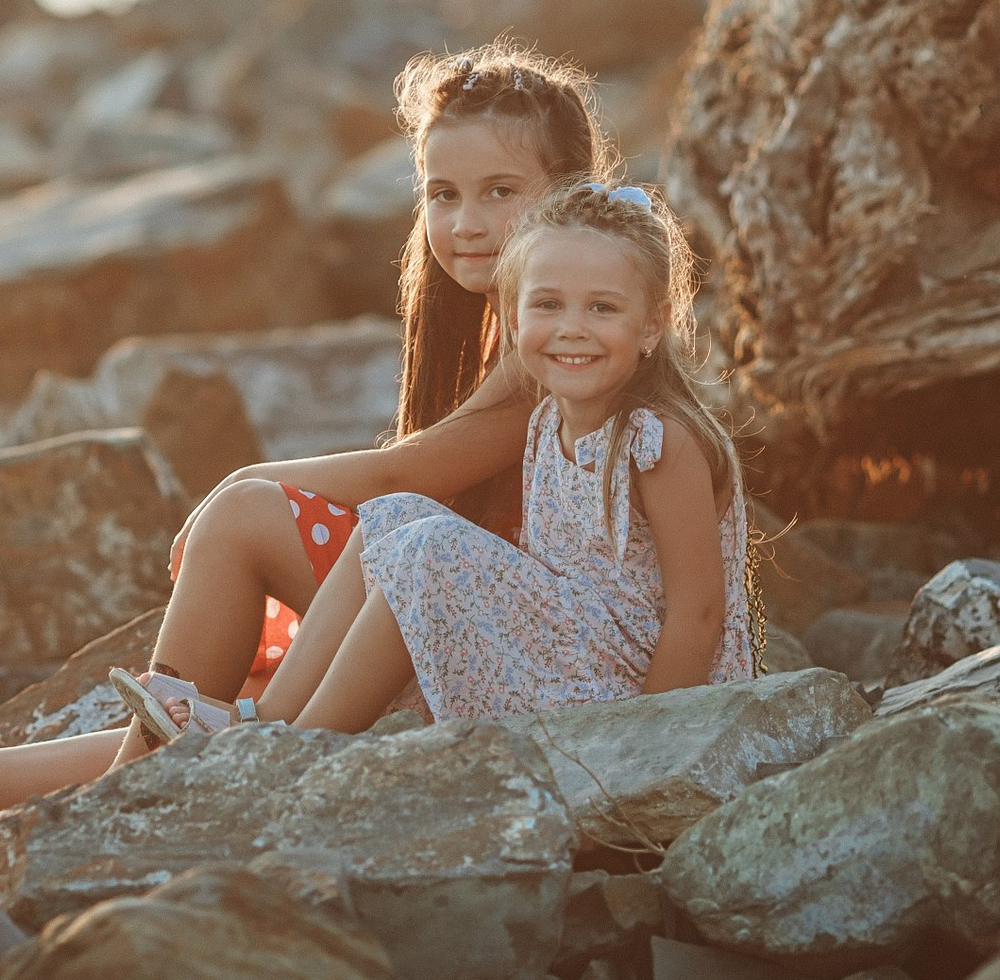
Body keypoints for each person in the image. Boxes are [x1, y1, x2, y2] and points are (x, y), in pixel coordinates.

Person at [0, 41, 615, 822]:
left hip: (523, 649)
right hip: (463, 616)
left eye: (500, 193)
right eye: (444, 193)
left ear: (571, 194)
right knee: (195, 715)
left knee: (242, 525)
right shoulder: (512, 322)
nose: (465, 222)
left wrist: (242, 491)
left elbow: (419, 469)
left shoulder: (563, 339)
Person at [122, 178, 758, 742]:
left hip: (637, 696)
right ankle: (262, 725)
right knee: (394, 515)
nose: (572, 327)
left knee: (430, 549)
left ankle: (294, 750)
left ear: (652, 326)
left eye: (603, 308)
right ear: (511, 318)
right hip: (572, 661)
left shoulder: (657, 440)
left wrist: (646, 743)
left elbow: (698, 614)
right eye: (547, 304)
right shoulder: (544, 424)